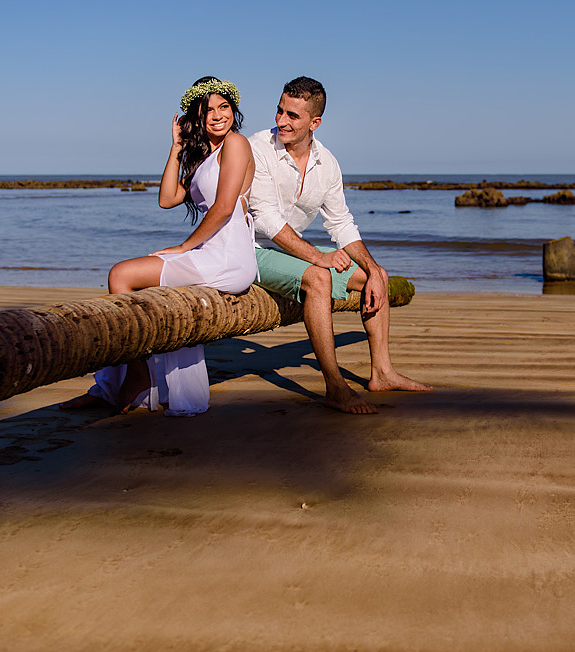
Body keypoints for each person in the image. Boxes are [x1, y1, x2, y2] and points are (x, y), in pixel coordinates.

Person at [61, 76, 257, 415]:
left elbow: (225, 207)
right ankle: (114, 384)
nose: (217, 115)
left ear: (233, 110)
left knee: (121, 275)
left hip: (228, 256)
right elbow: (167, 199)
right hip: (210, 252)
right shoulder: (204, 157)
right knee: (131, 279)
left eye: (223, 107)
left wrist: (184, 247)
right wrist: (176, 148)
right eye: (207, 110)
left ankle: (135, 375)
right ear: (197, 117)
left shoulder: (236, 143)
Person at [249, 76, 432, 414]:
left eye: (293, 115)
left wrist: (372, 268)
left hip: (288, 251)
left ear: (315, 123)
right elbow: (266, 220)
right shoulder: (257, 148)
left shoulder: (327, 163)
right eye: (279, 111)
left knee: (376, 276)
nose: (281, 121)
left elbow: (341, 223)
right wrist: (317, 257)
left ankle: (382, 373)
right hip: (250, 251)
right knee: (318, 277)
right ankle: (335, 387)